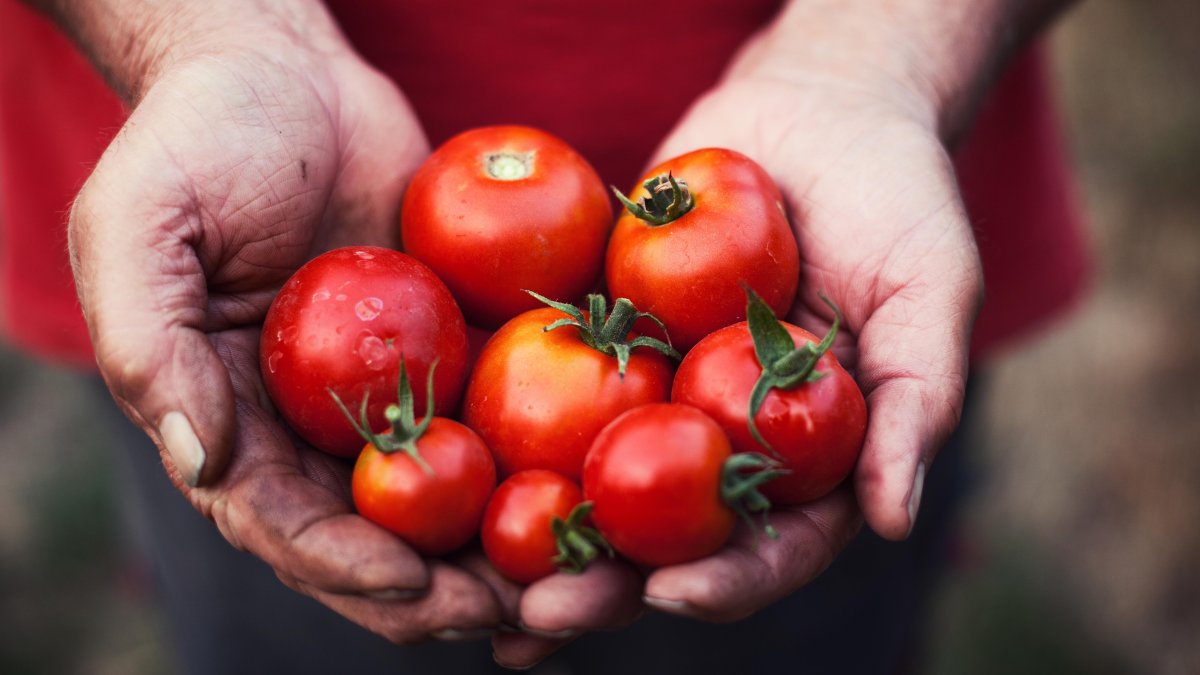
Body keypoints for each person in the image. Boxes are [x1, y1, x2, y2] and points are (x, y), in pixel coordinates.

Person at [0, 0, 1089, 672]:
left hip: (839, 229)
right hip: (252, 242)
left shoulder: (761, 370)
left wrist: (881, 54)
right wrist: (205, 32)